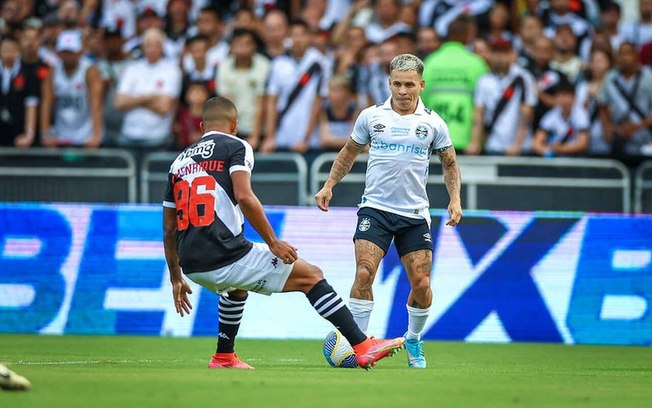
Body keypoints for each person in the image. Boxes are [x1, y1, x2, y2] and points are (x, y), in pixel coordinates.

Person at [163, 96, 404, 370]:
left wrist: (176, 278)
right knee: (311, 276)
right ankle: (362, 346)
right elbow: (244, 196)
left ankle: (224, 356)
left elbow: (169, 228)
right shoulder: (237, 146)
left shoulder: (179, 162)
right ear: (234, 125)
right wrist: (273, 242)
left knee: (238, 288)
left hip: (192, 265)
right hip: (224, 254)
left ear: (203, 124)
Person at [314, 54, 462, 369]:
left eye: (410, 84)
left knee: (421, 285)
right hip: (376, 209)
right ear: (389, 83)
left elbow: (450, 164)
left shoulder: (433, 122)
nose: (403, 91)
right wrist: (329, 186)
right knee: (364, 272)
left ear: (421, 85)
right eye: (397, 83)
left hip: (414, 214)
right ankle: (361, 345)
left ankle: (413, 338)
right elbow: (348, 153)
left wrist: (455, 200)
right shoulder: (371, 117)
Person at [422, 16, 488, 152]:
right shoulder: (476, 63)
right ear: (467, 35)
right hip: (466, 138)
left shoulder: (431, 62)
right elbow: (484, 102)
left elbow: (421, 98)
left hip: (434, 137)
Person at [262, 19, 327, 154]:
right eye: (294, 35)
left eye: (302, 34)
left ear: (309, 37)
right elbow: (271, 101)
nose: (298, 39)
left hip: (310, 141)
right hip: (281, 137)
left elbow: (318, 101)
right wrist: (270, 136)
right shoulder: (278, 63)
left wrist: (306, 138)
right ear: (288, 38)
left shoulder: (319, 62)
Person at [114, 28, 181, 149]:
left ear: (162, 47)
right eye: (148, 45)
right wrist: (150, 97)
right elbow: (119, 103)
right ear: (142, 47)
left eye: (156, 45)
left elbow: (164, 107)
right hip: (129, 134)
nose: (152, 49)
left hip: (158, 136)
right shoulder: (132, 68)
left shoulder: (172, 70)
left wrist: (134, 99)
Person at [468, 39, 537, 155]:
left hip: (519, 147)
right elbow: (479, 113)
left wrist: (517, 144)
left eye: (504, 53)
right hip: (493, 144)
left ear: (511, 55)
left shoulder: (523, 77)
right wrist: (475, 142)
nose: (499, 57)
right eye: (495, 53)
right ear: (490, 54)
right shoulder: (484, 80)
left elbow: (527, 112)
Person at [40, 30, 103, 148]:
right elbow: (47, 102)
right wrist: (45, 134)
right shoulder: (53, 70)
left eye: (71, 52)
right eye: (65, 52)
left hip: (85, 134)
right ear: (58, 52)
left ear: (79, 52)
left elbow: (96, 104)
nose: (68, 56)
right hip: (60, 134)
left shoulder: (89, 70)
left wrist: (96, 135)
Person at [217, 28, 270, 149]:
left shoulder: (263, 65)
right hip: (235, 129)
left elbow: (261, 103)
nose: (242, 48)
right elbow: (226, 104)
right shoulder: (224, 67)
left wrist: (255, 136)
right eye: (238, 44)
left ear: (254, 46)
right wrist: (229, 136)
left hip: (258, 130)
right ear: (231, 46)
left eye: (247, 43)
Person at [599, 42, 652, 159]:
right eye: (620, 54)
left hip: (643, 130)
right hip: (618, 130)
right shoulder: (610, 78)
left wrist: (637, 126)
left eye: (627, 53)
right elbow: (602, 105)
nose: (624, 58)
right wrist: (607, 126)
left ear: (636, 56)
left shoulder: (648, 79)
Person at [531, 79, 590, 157]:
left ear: (574, 97)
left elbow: (583, 144)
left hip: (577, 159)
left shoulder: (581, 114)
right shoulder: (552, 115)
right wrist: (547, 152)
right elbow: (536, 143)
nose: (563, 99)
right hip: (555, 159)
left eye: (566, 95)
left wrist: (561, 149)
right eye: (560, 95)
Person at [0, 34, 38, 147]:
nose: (8, 53)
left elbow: (31, 103)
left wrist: (29, 134)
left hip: (19, 130)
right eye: (5, 49)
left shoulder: (28, 72)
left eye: (12, 49)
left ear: (18, 51)